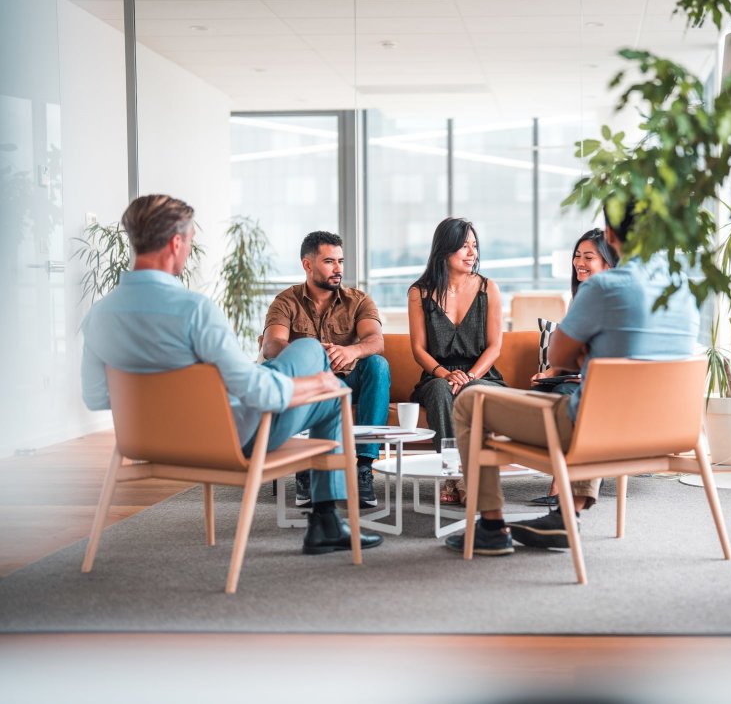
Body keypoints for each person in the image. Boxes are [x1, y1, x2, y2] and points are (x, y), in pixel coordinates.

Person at [80, 194, 383, 555]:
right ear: (176, 243)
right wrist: (316, 382)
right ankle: (326, 523)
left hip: (149, 443)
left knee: (310, 357)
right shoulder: (194, 311)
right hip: (230, 441)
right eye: (190, 240)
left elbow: (96, 396)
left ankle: (324, 515)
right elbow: (259, 394)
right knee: (327, 386)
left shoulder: (99, 315)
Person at [444, 200, 699, 556]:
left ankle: (490, 526)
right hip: (669, 429)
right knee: (599, 399)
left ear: (610, 235)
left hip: (596, 429)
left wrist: (584, 352)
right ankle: (565, 517)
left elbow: (558, 357)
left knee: (471, 399)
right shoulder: (683, 288)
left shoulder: (604, 287)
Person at [262, 231, 390, 511]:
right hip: (309, 382)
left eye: (340, 261)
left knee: (378, 365)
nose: (339, 269)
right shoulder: (286, 301)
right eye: (329, 262)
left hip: (348, 379)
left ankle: (364, 467)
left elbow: (376, 341)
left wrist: (350, 351)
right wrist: (313, 355)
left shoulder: (358, 300)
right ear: (307, 265)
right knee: (294, 367)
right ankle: (307, 467)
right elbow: (273, 345)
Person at [407, 217, 506, 505]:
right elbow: (418, 349)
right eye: (464, 246)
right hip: (437, 376)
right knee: (440, 390)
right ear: (444, 249)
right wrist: (445, 374)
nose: (472, 252)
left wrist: (471, 376)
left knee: (472, 391)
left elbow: (495, 346)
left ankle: (470, 477)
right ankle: (452, 476)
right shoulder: (420, 292)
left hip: (481, 375)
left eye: (474, 246)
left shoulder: (489, 288)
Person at [528, 228, 618, 507]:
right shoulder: (580, 299)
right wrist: (549, 374)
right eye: (577, 255)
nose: (579, 262)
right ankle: (566, 484)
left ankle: (561, 487)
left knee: (568, 399)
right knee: (559, 392)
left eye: (588, 257)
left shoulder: (615, 300)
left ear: (608, 263)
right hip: (583, 380)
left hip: (609, 385)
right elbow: (567, 356)